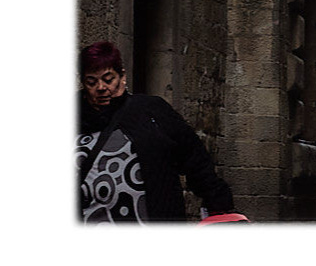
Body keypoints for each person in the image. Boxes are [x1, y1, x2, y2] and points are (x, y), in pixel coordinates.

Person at [77, 41, 236, 223]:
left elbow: (195, 158)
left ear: (122, 76)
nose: (101, 87)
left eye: (108, 79)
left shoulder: (152, 111)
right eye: (92, 82)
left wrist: (218, 204)